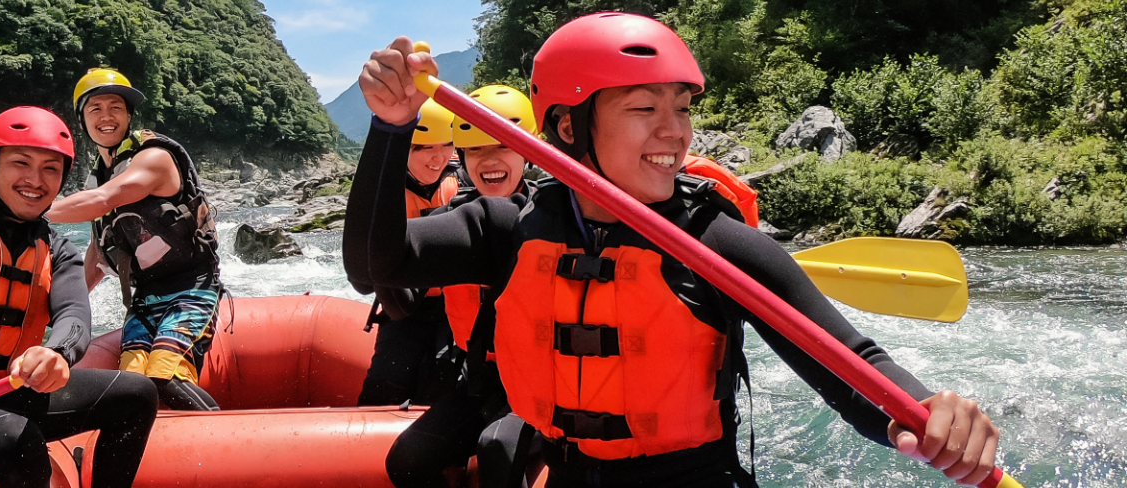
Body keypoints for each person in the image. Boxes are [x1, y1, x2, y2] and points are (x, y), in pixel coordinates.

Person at [345, 12, 1002, 487]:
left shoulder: (715, 243)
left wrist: (925, 418)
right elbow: (376, 266)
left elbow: (853, 367)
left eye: (683, 107)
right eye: (644, 108)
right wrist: (388, 129)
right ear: (569, 126)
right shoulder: (508, 229)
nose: (676, 132)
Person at [0, 106, 159, 488]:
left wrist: (56, 353)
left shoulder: (57, 248)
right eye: (21, 163)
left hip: (4, 389)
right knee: (18, 440)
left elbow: (74, 313)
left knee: (137, 394)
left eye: (51, 169)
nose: (35, 180)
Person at [382, 84, 543, 488]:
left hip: (544, 380)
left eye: (502, 147)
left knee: (498, 449)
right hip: (481, 377)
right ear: (464, 157)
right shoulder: (456, 221)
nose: (488, 161)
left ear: (528, 151)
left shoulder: (554, 219)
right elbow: (402, 303)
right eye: (474, 150)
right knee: (407, 460)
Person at [47, 68, 224, 411]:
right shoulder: (97, 177)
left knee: (164, 378)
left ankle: (224, 439)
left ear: (129, 116)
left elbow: (105, 200)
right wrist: (62, 309)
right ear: (82, 119)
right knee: (132, 386)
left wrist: (28, 209)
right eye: (95, 108)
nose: (106, 116)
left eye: (116, 107)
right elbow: (99, 252)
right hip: (144, 298)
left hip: (192, 287)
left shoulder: (154, 158)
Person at [359, 98, 467, 408]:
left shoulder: (463, 181)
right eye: (425, 148)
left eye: (446, 146)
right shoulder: (385, 188)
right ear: (406, 148)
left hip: (456, 303)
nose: (438, 157)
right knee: (386, 384)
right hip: (405, 304)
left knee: (444, 377)